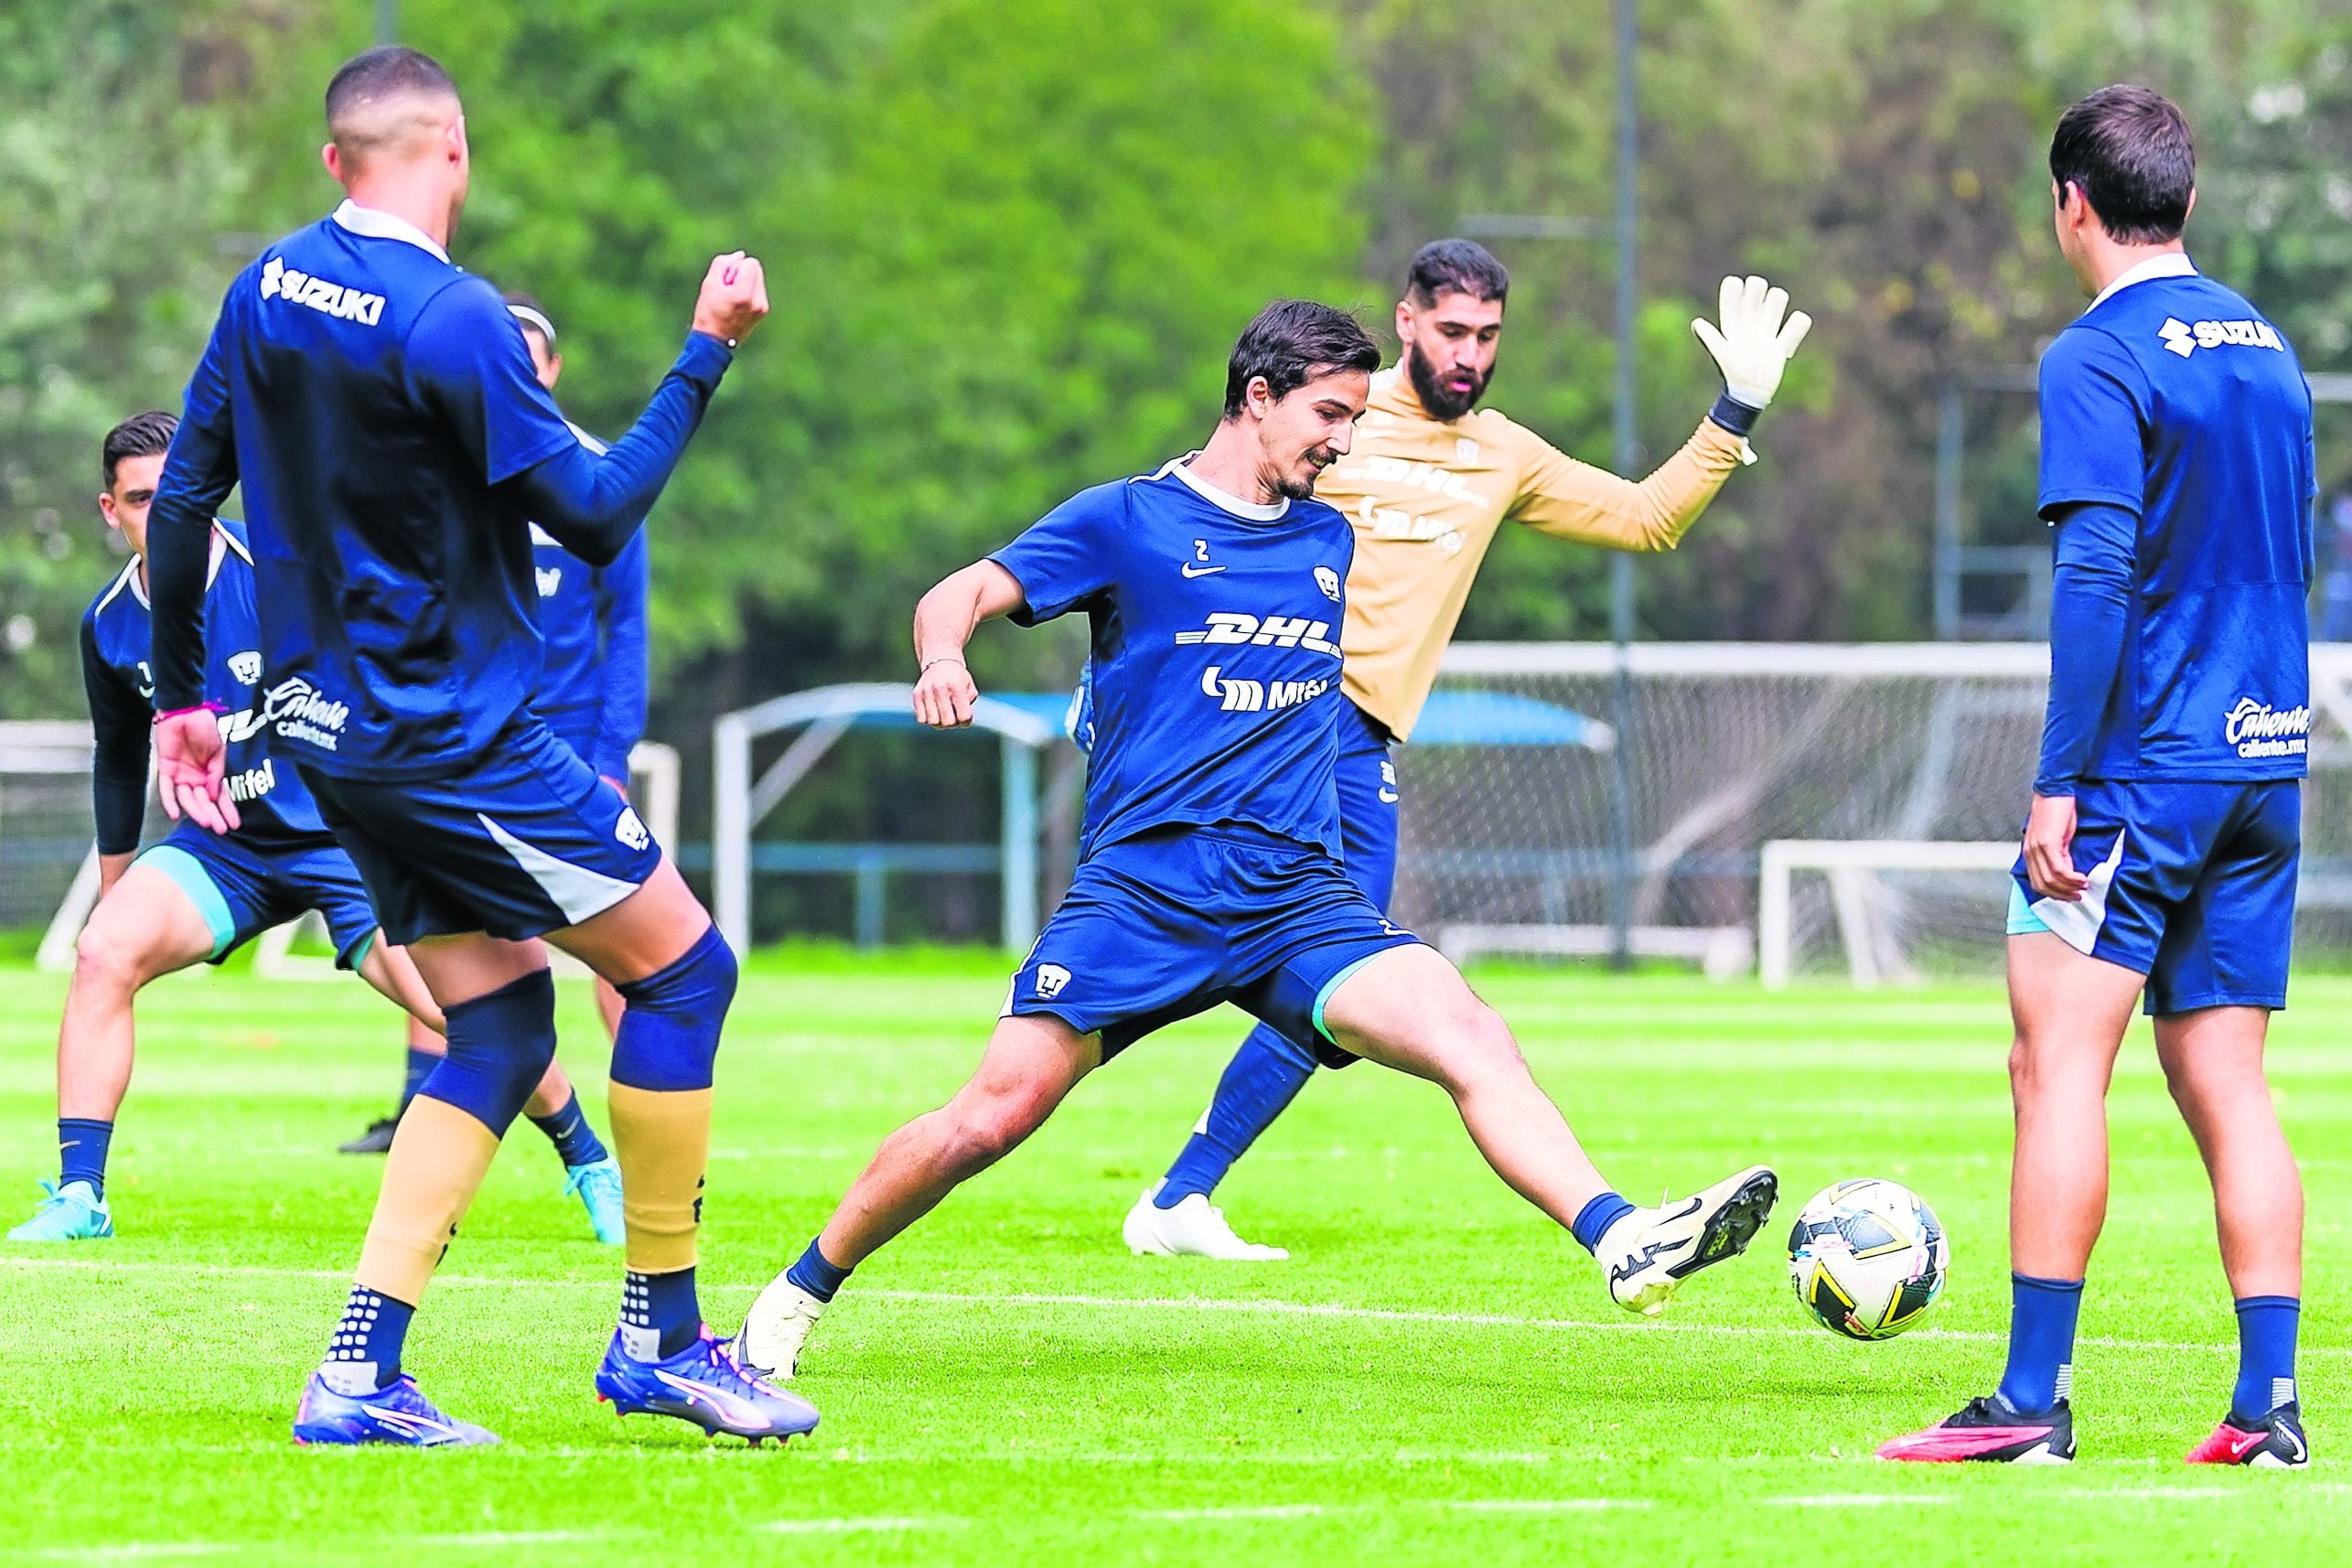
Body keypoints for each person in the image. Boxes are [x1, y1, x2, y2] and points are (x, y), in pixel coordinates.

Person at [736, 300, 1780, 1380]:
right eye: (1329, 413)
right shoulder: (1128, 520)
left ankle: (1621, 1238)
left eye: (1357, 416)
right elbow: (961, 591)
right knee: (988, 1121)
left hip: (1296, 900)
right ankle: (796, 1294)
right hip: (1146, 895)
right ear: (1258, 397)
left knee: (1471, 1035)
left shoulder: (1329, 534)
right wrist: (945, 655)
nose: (1343, 436)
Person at [142, 45, 812, 1447]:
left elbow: (185, 491)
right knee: (688, 969)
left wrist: (181, 697)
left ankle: (357, 1372)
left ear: (337, 159)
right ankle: (665, 1338)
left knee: (501, 1026)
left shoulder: (266, 283)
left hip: (328, 735)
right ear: (454, 151)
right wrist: (706, 351)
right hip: (450, 736)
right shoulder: (455, 321)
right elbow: (597, 512)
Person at [1121, 240, 1812, 1260]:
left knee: (1333, 988)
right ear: (1407, 322)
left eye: (1488, 337)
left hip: (1359, 746)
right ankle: (1175, 1184)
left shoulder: (1503, 453)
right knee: (1324, 974)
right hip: (1268, 728)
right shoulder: (1334, 418)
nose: (1469, 355)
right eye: (1451, 331)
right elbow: (1202, 518)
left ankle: (1180, 1195)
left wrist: (1734, 414)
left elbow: (1646, 519)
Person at [1879, 85, 2314, 1469]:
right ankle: (2266, 1408)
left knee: (2052, 1061)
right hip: (2265, 761)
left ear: (2069, 201)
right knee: (2226, 1083)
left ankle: (2025, 1399)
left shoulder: (2093, 353)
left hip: (2144, 770)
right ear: (2180, 199)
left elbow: (2090, 572)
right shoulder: (2267, 346)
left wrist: (2058, 779)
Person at [7, 413, 452, 1243]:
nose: (162, 513)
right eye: (141, 499)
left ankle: (583, 1157)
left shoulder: (280, 569)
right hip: (223, 852)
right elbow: (116, 761)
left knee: (460, 1006)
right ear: (111, 511)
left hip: (339, 839)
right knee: (102, 955)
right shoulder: (108, 623)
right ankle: (81, 1197)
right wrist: (116, 893)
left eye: (178, 493)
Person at [335, 294, 639, 1254]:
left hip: (561, 751)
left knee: (647, 955)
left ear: (547, 371)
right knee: (462, 951)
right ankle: (453, 1143)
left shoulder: (586, 472)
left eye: (525, 355)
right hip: (454, 748)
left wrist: (612, 754)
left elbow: (623, 625)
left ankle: (636, 1129)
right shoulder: (431, 463)